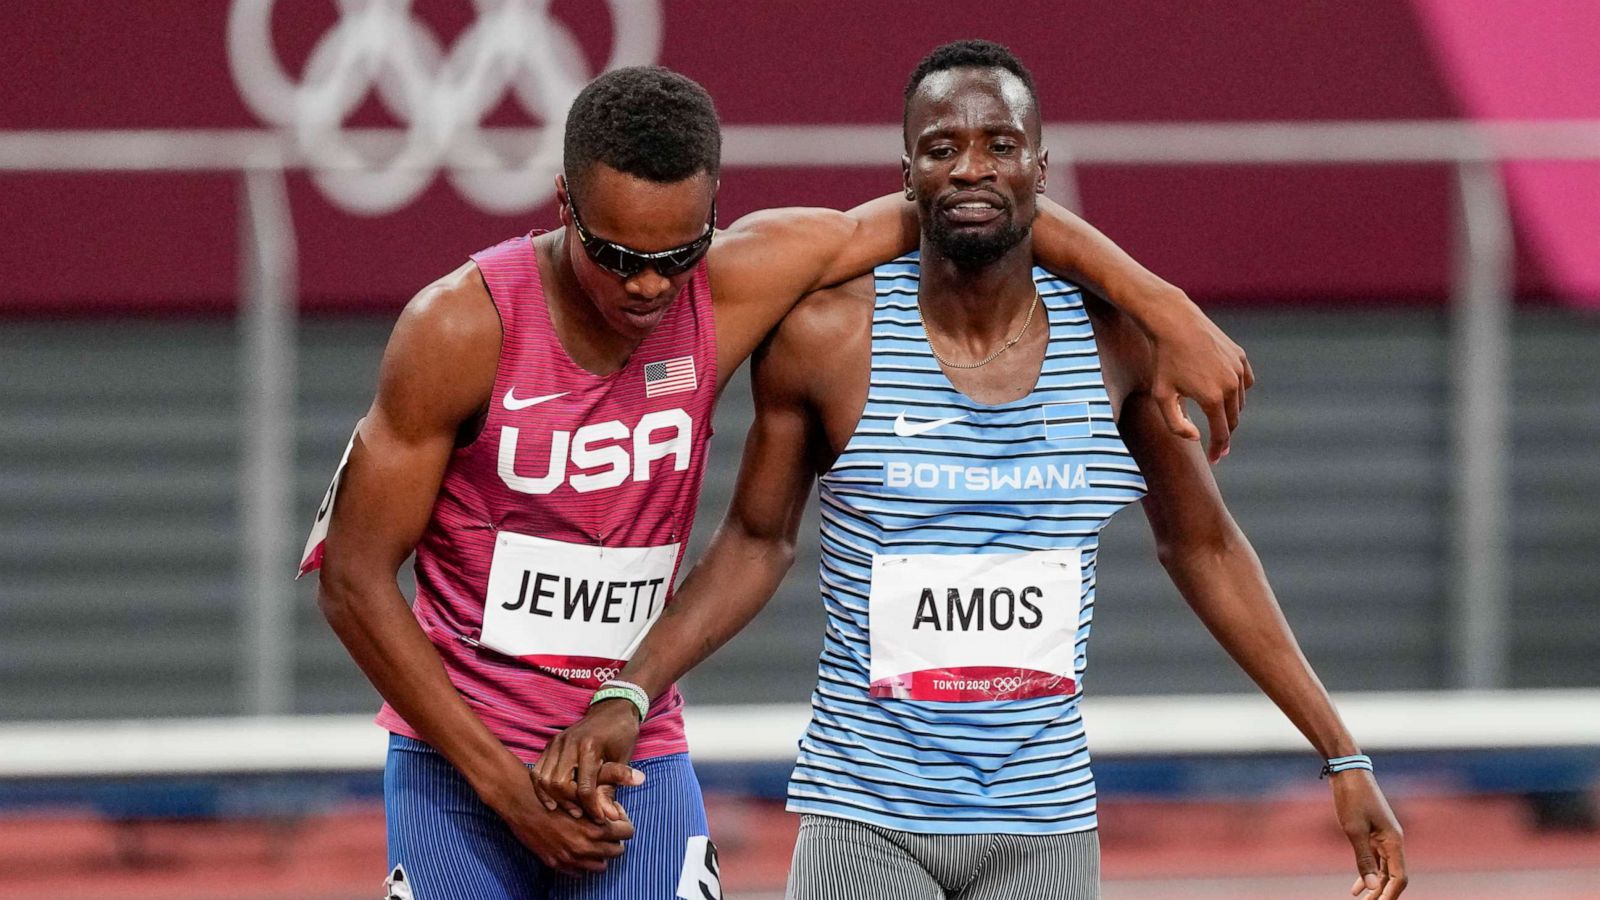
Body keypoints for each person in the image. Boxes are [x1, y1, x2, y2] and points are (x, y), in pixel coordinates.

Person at [304, 64, 1252, 900]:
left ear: (713, 219)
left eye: (675, 256)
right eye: (618, 257)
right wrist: (510, 794)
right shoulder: (459, 329)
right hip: (459, 761)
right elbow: (352, 580)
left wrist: (1164, 306)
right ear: (563, 204)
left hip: (633, 744)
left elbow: (974, 202)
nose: (646, 289)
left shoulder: (731, 285)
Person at [535, 43, 1406, 900]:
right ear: (907, 173)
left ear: (1041, 166)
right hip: (862, 820)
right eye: (942, 148)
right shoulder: (828, 338)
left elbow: (1206, 549)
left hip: (1044, 833)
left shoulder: (1118, 345)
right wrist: (631, 688)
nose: (971, 169)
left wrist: (1341, 750)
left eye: (1001, 146)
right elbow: (757, 542)